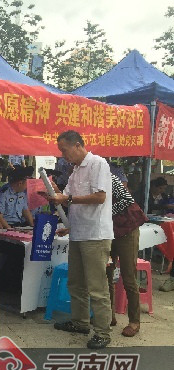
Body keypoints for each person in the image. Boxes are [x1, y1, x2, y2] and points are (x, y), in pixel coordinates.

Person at [46, 130, 114, 349]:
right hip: (78, 233)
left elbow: (100, 197)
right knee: (76, 283)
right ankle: (80, 322)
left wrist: (67, 197)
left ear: (77, 145)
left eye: (64, 150)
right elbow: (68, 200)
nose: (63, 155)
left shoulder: (97, 164)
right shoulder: (74, 171)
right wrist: (55, 193)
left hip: (95, 235)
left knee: (97, 286)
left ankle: (102, 332)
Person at [106, 174, 141, 337]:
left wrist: (105, 213)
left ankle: (134, 321)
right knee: (106, 273)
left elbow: (127, 199)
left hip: (127, 229)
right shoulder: (85, 180)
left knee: (128, 276)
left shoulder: (110, 178)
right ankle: (109, 316)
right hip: (107, 232)